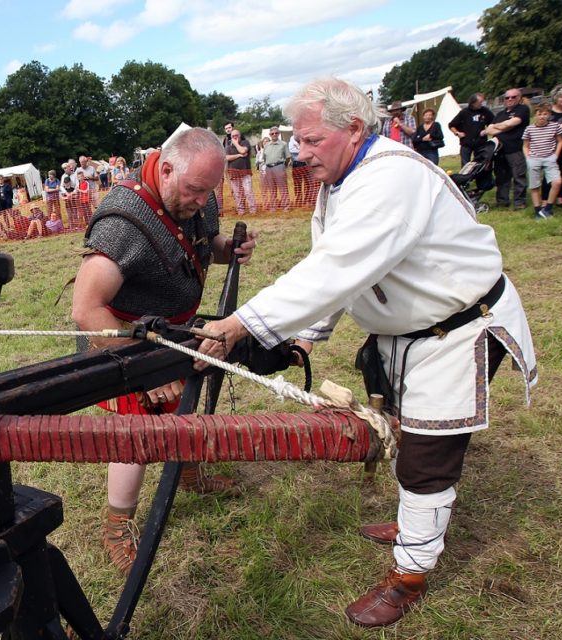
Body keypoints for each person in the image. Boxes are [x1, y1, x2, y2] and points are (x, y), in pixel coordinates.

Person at [200, 78, 537, 628]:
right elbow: (335, 263)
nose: (298, 152)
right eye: (297, 141)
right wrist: (305, 334)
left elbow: (335, 269)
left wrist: (240, 326)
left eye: (310, 140)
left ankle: (410, 574)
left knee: (427, 459)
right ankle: (415, 523)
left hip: (456, 332)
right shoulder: (341, 180)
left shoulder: (390, 178)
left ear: (354, 129)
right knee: (406, 433)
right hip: (407, 335)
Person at [71, 127, 257, 575]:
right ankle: (118, 524)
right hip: (122, 339)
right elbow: (86, 308)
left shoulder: (199, 191)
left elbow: (202, 243)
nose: (202, 200)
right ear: (167, 169)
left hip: (175, 330)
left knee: (185, 410)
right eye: (195, 190)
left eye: (209, 190)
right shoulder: (123, 220)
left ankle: (189, 474)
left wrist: (227, 249)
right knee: (133, 440)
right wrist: (141, 369)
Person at [485, 88, 530, 209]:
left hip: (515, 149)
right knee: (501, 177)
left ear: (519, 98)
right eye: (507, 97)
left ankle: (519, 202)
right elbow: (488, 130)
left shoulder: (523, 109)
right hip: (499, 150)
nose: (510, 99)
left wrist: (500, 126)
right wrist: (505, 126)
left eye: (513, 97)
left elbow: (512, 123)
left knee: (518, 176)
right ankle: (502, 201)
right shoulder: (500, 113)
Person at [522, 106, 562, 219]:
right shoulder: (529, 129)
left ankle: (548, 208)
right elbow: (525, 145)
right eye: (540, 114)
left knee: (557, 182)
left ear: (549, 115)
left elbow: (560, 141)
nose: (542, 117)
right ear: (535, 115)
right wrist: (528, 158)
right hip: (534, 158)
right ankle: (537, 210)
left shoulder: (554, 126)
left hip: (549, 157)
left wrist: (556, 155)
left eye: (545, 114)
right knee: (535, 185)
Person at [448, 92, 495, 166]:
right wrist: (457, 133)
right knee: (465, 166)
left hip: (480, 143)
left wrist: (486, 131)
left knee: (480, 164)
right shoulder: (464, 112)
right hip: (466, 144)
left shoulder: (485, 111)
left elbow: (493, 123)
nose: (481, 104)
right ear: (473, 102)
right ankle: (466, 177)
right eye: (480, 102)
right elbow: (451, 125)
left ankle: (480, 177)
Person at [224, 129, 256, 214]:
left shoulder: (245, 143)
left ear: (240, 135)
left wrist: (236, 144)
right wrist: (239, 155)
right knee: (237, 193)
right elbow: (226, 157)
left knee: (248, 191)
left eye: (236, 135)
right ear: (230, 137)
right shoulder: (228, 146)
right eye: (233, 136)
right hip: (233, 173)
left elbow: (243, 150)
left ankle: (252, 209)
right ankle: (240, 210)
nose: (235, 137)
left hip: (245, 172)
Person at [259, 127, 291, 210]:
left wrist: (284, 166)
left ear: (279, 134)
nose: (274, 135)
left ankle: (286, 207)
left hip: (279, 166)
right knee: (272, 189)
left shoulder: (283, 144)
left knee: (283, 188)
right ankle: (273, 207)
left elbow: (288, 157)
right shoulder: (266, 146)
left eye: (276, 133)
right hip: (268, 168)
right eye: (272, 133)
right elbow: (264, 158)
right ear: (270, 135)